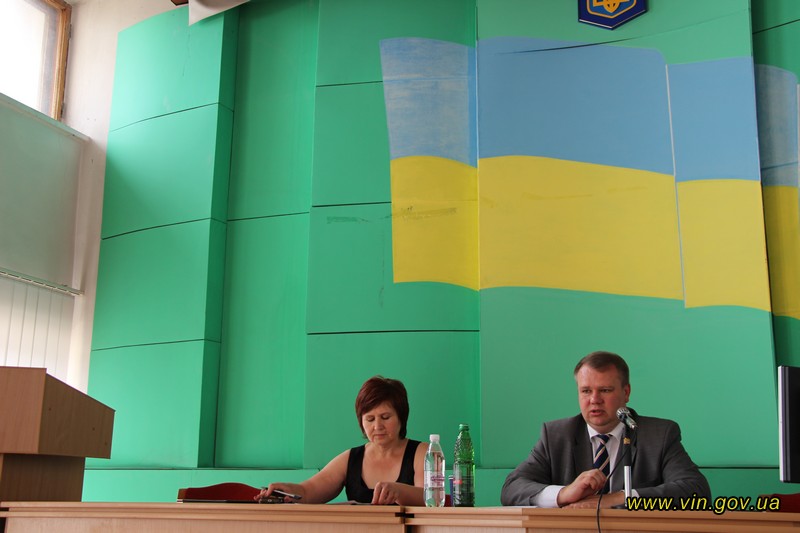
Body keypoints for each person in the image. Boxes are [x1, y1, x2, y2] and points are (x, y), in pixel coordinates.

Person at [501, 351, 710, 509]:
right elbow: (512, 487)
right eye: (586, 391)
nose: (594, 400)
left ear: (626, 392)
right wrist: (564, 494)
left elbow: (696, 491)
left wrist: (620, 498)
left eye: (605, 390)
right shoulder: (556, 435)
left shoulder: (658, 435)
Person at [255, 376, 426, 505]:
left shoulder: (424, 453)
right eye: (370, 419)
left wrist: (399, 491)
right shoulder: (351, 458)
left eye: (385, 417)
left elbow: (432, 498)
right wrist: (287, 490)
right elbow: (308, 491)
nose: (377, 426)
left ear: (402, 417)